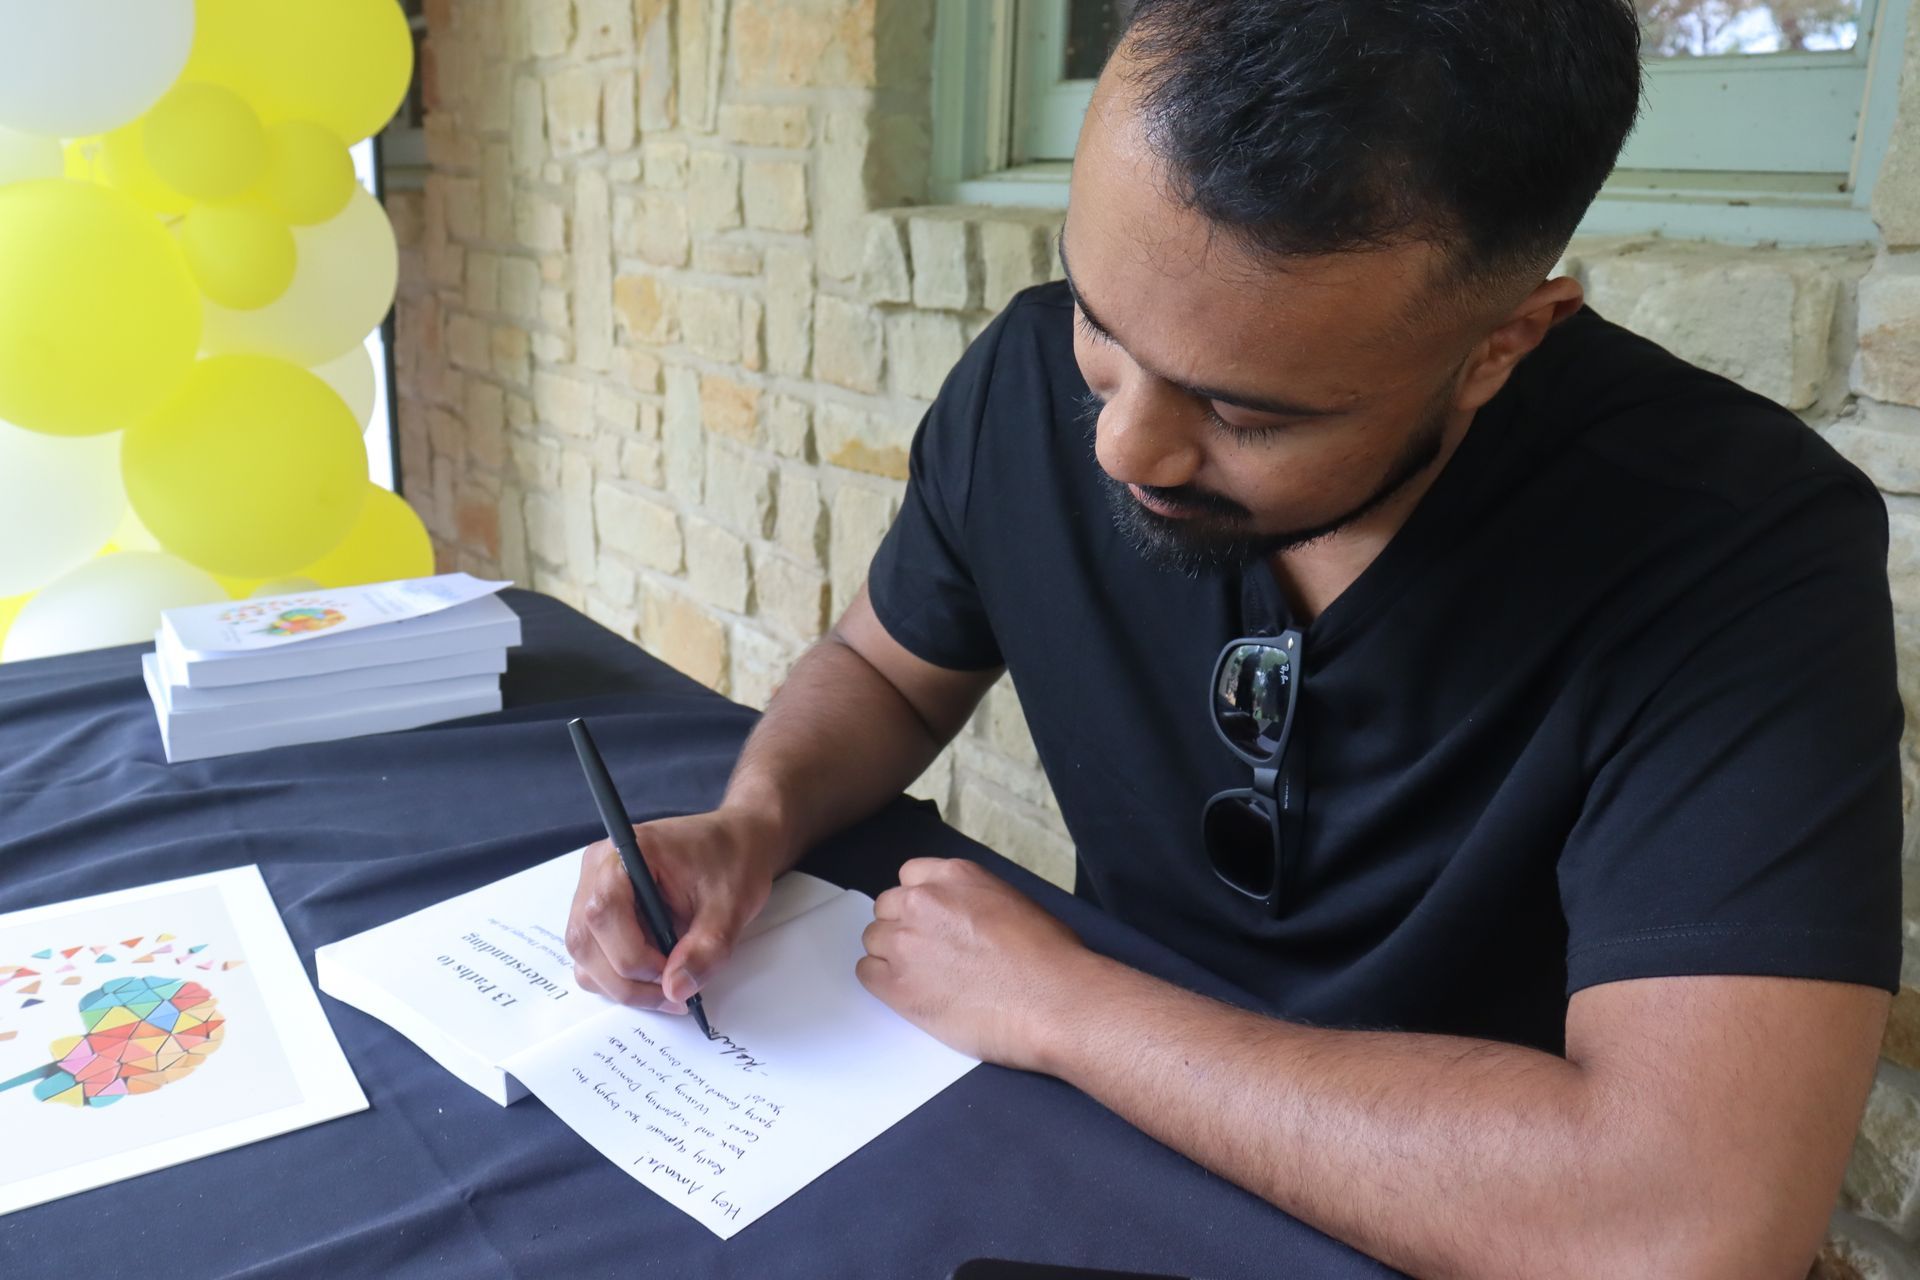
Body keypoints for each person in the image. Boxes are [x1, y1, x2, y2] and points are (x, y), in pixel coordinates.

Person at [565, 1, 1902, 1273]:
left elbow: (1678, 1226)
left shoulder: (1734, 552)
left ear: (1503, 345)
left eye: (1247, 413)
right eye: (1100, 319)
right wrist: (755, 820)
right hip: (1082, 1166)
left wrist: (1071, 1009)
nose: (1122, 440)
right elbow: (880, 670)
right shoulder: (1031, 383)